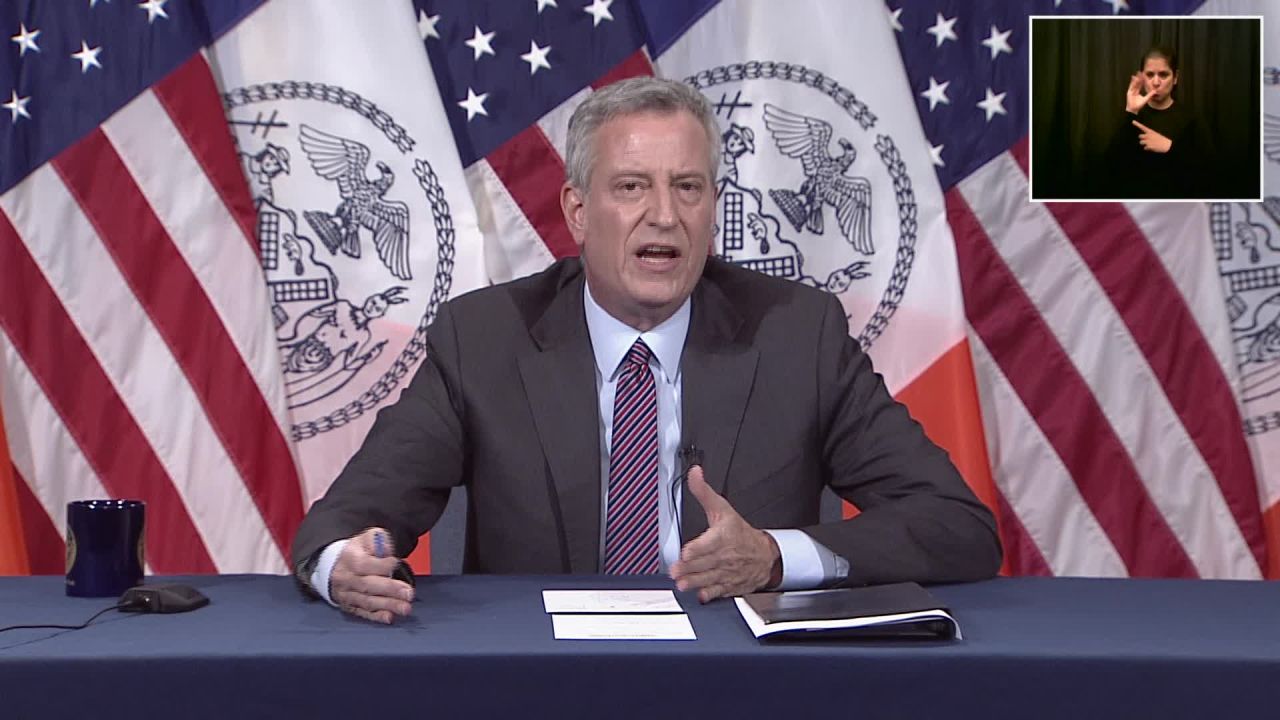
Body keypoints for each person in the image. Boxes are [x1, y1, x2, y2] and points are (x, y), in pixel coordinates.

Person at [290, 77, 1002, 624]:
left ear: (713, 206)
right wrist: (343, 566)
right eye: (632, 187)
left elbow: (958, 528)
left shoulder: (797, 334)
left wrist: (775, 557)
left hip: (742, 688)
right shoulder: (484, 339)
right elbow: (345, 521)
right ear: (577, 211)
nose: (664, 215)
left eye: (687, 188)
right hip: (540, 684)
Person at [1104, 46, 1215, 198]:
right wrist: (1131, 111)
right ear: (1142, 78)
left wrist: (1170, 147)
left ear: (1175, 77)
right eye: (1150, 75)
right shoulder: (1131, 115)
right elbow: (1110, 168)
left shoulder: (1191, 118)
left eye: (1163, 75)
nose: (1156, 82)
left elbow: (1208, 173)